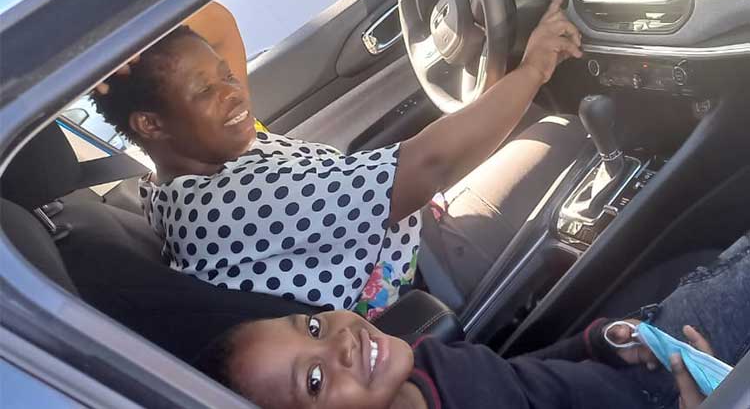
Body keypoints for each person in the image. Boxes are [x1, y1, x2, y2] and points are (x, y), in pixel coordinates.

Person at [91, 0, 584, 317]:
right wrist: (536, 66)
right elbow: (428, 166)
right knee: (565, 133)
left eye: (226, 75)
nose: (235, 93)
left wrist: (120, 34)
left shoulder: (189, 165)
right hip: (416, 277)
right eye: (205, 90)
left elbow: (217, 24)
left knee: (523, 119)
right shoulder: (229, 203)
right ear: (151, 124)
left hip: (387, 236)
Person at [193, 235, 750, 409]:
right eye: (313, 382)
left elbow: (526, 375)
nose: (337, 342)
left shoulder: (420, 366)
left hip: (647, 362)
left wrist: (600, 341)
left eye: (311, 327)